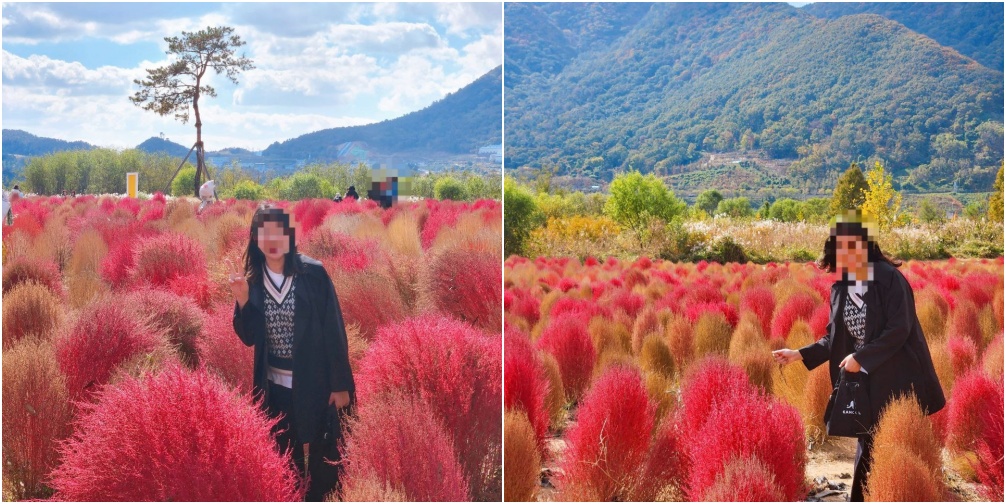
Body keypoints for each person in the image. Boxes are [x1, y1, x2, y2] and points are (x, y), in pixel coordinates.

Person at [772, 212, 944, 502]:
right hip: (865, 383)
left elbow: (899, 328)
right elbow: (834, 338)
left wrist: (862, 357)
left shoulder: (889, 278)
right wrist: (799, 354)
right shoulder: (840, 288)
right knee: (869, 445)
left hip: (898, 376)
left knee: (884, 446)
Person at [229, 204, 355, 501]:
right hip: (273, 388)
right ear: (255, 239)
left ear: (289, 235)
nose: (272, 240)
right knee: (284, 456)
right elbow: (249, 338)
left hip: (315, 382)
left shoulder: (313, 273)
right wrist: (243, 301)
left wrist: (340, 386)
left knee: (323, 455)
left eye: (279, 232)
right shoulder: (254, 281)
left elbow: (334, 331)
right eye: (264, 233)